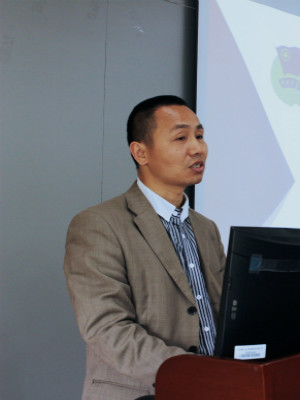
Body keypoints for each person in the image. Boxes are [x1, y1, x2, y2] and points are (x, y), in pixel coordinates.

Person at [63, 95, 225, 400]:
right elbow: (106, 329)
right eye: (181, 138)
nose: (197, 148)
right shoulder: (99, 224)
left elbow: (223, 313)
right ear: (141, 152)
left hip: (218, 389)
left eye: (200, 136)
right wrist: (197, 373)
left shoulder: (206, 228)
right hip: (143, 392)